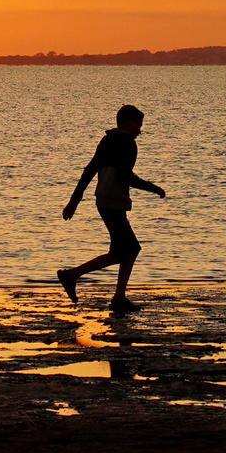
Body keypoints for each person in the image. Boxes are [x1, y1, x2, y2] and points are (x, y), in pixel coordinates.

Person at [57, 104, 165, 314]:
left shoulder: (107, 140)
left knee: (128, 249)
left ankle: (117, 297)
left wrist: (74, 201)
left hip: (103, 200)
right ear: (128, 123)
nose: (140, 131)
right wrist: (153, 188)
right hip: (113, 201)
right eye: (138, 125)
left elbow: (89, 171)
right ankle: (73, 276)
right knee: (125, 251)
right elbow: (125, 176)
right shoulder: (128, 145)